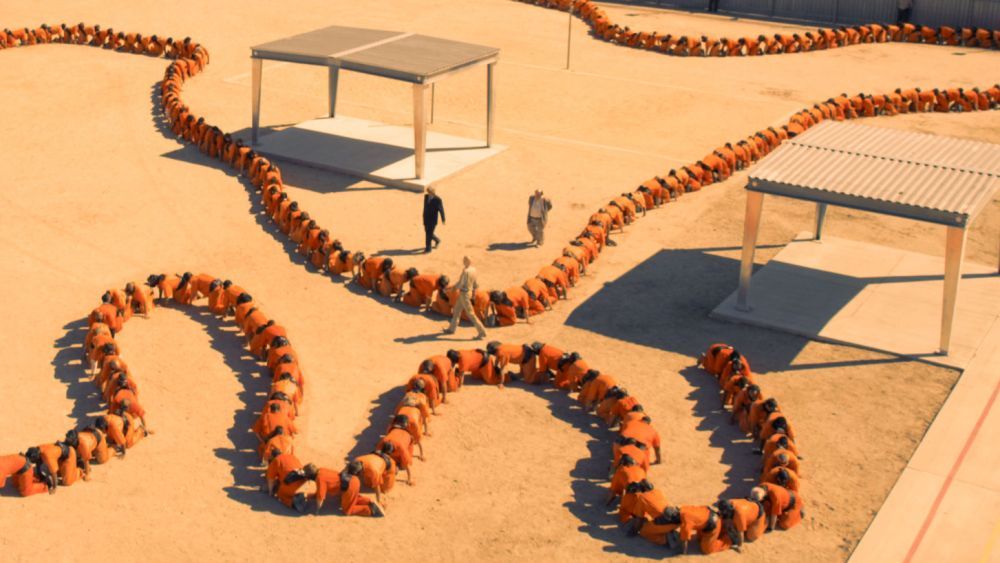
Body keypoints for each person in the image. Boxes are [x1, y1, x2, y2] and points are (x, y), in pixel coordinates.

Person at [444, 256, 487, 339]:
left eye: (464, 260)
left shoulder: (466, 271)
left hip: (464, 294)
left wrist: (452, 289)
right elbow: (475, 284)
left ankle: (482, 331)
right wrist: (473, 294)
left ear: (466, 261)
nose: (463, 261)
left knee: (471, 314)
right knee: (456, 310)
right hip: (467, 293)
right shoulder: (474, 270)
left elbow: (461, 283)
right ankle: (452, 329)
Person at [422, 186, 445, 253]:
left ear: (433, 192)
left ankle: (428, 248)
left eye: (429, 192)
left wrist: (443, 219)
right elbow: (425, 207)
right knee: (428, 232)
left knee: (428, 234)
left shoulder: (438, 200)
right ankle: (437, 240)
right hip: (426, 218)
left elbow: (441, 210)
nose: (428, 193)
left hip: (432, 220)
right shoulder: (426, 197)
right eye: (428, 192)